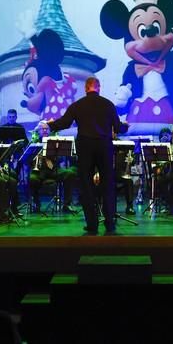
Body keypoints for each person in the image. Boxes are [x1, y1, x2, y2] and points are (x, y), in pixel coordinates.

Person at [43, 76, 128, 234]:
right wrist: (125, 127)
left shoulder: (78, 105)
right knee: (108, 185)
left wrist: (49, 125)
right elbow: (117, 127)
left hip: (85, 147)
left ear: (86, 88)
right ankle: (110, 223)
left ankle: (92, 224)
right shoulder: (108, 104)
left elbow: (65, 122)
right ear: (99, 87)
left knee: (87, 186)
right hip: (104, 147)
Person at [27, 122, 78, 214]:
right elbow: (27, 159)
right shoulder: (34, 142)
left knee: (70, 174)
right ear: (38, 131)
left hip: (52, 169)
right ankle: (36, 203)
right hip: (38, 171)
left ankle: (67, 204)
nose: (45, 130)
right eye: (43, 129)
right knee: (32, 179)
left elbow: (61, 159)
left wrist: (56, 154)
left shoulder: (55, 141)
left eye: (47, 129)